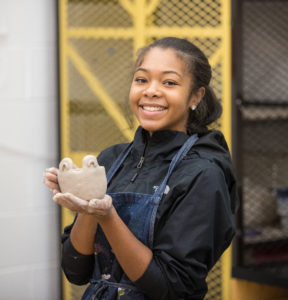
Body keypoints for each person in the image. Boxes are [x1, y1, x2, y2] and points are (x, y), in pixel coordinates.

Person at [43, 37, 237, 300]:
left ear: (196, 95)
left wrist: (107, 215)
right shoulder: (110, 160)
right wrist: (87, 204)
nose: (151, 91)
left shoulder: (202, 174)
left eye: (169, 82)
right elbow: (75, 271)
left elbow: (170, 287)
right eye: (142, 79)